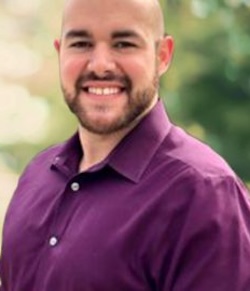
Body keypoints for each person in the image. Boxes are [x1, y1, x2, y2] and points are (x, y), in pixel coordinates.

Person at [1, 0, 250, 290]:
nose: (101, 65)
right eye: (81, 43)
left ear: (162, 55)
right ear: (60, 52)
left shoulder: (204, 193)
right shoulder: (36, 176)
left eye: (124, 44)